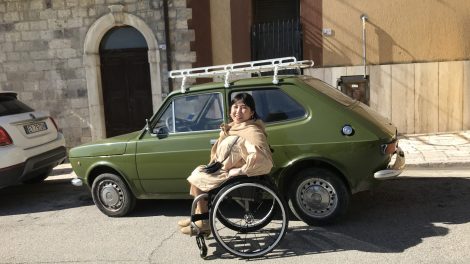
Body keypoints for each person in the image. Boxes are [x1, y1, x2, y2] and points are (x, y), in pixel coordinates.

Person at [178, 92, 274, 235]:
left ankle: (203, 221)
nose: (238, 112)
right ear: (230, 111)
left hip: (234, 173)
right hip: (223, 167)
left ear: (251, 112)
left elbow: (262, 159)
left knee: (197, 178)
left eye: (243, 108)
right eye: (235, 107)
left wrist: (241, 170)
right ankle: (199, 216)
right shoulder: (233, 128)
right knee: (198, 173)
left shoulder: (252, 131)